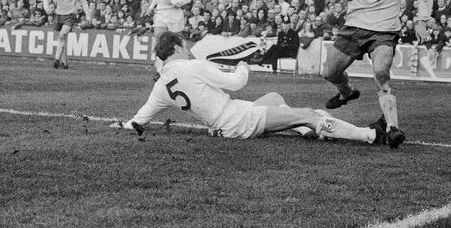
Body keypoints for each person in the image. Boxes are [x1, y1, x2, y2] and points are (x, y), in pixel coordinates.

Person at [110, 32, 385, 145]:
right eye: (185, 43)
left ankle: (305, 129)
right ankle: (370, 135)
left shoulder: (161, 86)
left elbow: (139, 120)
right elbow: (237, 83)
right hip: (236, 120)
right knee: (311, 113)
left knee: (275, 97)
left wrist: (122, 125)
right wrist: (243, 61)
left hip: (224, 122)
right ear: (178, 47)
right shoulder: (190, 66)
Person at [310, 0, 432, 150]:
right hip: (354, 27)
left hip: (384, 31)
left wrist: (421, 20)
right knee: (329, 73)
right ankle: (346, 93)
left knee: (381, 71)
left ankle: (393, 128)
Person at [42, 0, 91, 70]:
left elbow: (84, 2)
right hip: (58, 15)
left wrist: (88, 15)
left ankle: (56, 59)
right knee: (62, 40)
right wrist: (47, 8)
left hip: (70, 16)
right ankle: (64, 62)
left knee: (62, 35)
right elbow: (46, 0)